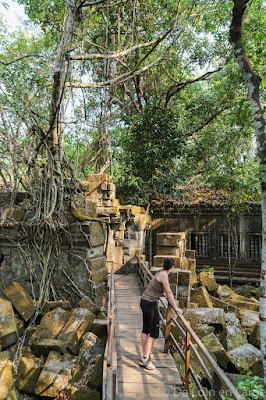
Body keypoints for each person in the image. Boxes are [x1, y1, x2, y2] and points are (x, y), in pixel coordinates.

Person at [139, 257, 183, 370]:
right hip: (150, 304)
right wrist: (176, 307)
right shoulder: (164, 275)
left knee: (146, 329)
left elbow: (160, 288)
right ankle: (145, 358)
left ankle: (145, 355)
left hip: (144, 301)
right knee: (154, 332)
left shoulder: (160, 272)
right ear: (172, 268)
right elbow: (168, 291)